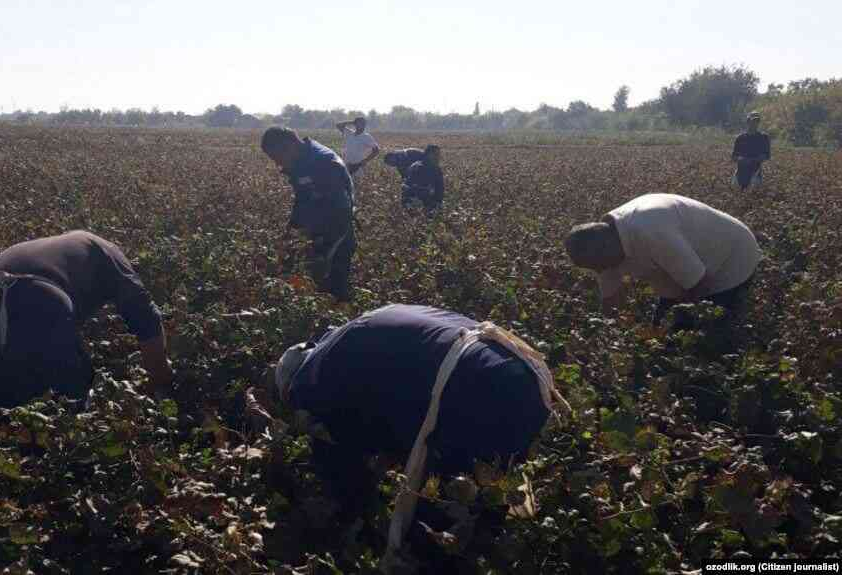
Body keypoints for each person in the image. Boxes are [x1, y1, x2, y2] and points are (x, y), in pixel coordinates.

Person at [271, 304, 565, 550]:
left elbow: (344, 439)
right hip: (530, 378)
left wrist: (349, 501)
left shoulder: (310, 375)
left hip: (479, 389)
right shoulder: (365, 326)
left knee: (438, 516)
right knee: (489, 495)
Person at [0, 231, 174, 411]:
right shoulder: (111, 257)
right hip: (40, 295)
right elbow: (145, 317)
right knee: (68, 402)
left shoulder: (69, 249)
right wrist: (160, 382)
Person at [564, 194, 761, 325]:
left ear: (605, 248)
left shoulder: (650, 231)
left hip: (731, 260)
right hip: (687, 267)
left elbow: (700, 283)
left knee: (707, 333)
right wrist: (606, 329)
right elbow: (611, 298)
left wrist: (683, 322)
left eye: (598, 267)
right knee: (663, 329)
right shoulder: (605, 241)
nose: (600, 272)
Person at [261, 126, 356, 302]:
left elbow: (341, 213)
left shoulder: (324, 163)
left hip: (337, 237)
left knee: (332, 294)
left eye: (277, 158)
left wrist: (324, 251)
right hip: (316, 233)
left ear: (289, 146)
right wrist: (290, 234)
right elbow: (303, 201)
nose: (278, 164)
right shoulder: (301, 160)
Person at [731, 111, 771, 191]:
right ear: (748, 121)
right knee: (736, 192)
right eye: (753, 121)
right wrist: (741, 159)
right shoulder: (740, 138)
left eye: (757, 121)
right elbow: (734, 156)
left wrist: (755, 159)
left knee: (754, 195)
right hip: (740, 172)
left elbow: (767, 155)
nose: (755, 123)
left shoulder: (763, 138)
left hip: (755, 173)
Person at [401, 145, 444, 212]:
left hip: (427, 202)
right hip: (415, 202)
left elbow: (439, 188)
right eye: (435, 154)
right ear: (428, 154)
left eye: (438, 154)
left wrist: (438, 202)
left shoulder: (436, 169)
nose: (438, 157)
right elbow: (409, 187)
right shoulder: (417, 167)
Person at [335, 116, 379, 181]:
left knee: (356, 185)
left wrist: (364, 161)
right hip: (346, 164)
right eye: (358, 123)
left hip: (357, 166)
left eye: (362, 124)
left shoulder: (366, 137)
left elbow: (376, 150)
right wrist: (352, 122)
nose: (360, 125)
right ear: (355, 124)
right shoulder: (349, 133)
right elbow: (338, 125)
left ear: (364, 125)